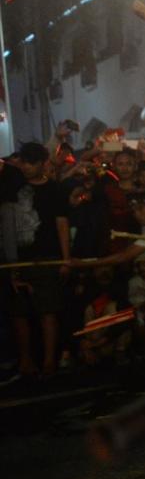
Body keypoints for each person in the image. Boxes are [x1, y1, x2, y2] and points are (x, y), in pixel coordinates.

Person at [7, 142, 71, 379]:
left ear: (42, 164)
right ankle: (25, 360)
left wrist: (66, 259)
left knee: (48, 311)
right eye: (23, 162)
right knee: (20, 313)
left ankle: (48, 361)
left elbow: (61, 224)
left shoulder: (54, 190)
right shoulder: (14, 188)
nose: (26, 167)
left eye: (31, 162)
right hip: (19, 257)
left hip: (48, 255)